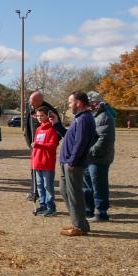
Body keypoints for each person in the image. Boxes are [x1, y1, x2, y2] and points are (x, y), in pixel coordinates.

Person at [55, 91, 97, 237]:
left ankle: (79, 226)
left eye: (70, 102)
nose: (69, 105)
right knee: (64, 190)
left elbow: (80, 142)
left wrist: (72, 160)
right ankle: (78, 222)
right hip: (67, 161)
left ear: (78, 103)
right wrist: (56, 124)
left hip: (73, 163)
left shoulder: (84, 119)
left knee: (74, 194)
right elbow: (69, 136)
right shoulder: (79, 118)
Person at [23, 91, 67, 201]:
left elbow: (58, 131)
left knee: (45, 174)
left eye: (33, 102)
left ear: (40, 101)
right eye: (30, 101)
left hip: (44, 149)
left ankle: (42, 195)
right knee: (34, 169)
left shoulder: (49, 111)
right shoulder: (31, 107)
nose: (30, 103)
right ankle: (35, 191)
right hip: (34, 146)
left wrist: (47, 145)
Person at [83, 91, 115, 222]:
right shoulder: (93, 115)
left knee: (99, 186)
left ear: (95, 103)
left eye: (89, 103)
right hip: (88, 157)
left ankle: (102, 213)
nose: (87, 106)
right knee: (87, 186)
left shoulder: (105, 116)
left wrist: (90, 151)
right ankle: (88, 211)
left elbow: (104, 139)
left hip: (99, 158)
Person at [30, 107, 60, 217]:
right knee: (39, 185)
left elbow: (52, 146)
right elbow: (35, 147)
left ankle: (51, 207)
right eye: (37, 116)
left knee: (48, 186)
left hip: (47, 162)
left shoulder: (52, 130)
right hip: (37, 162)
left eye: (41, 115)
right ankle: (42, 205)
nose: (39, 118)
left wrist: (38, 145)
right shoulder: (38, 129)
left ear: (47, 116)